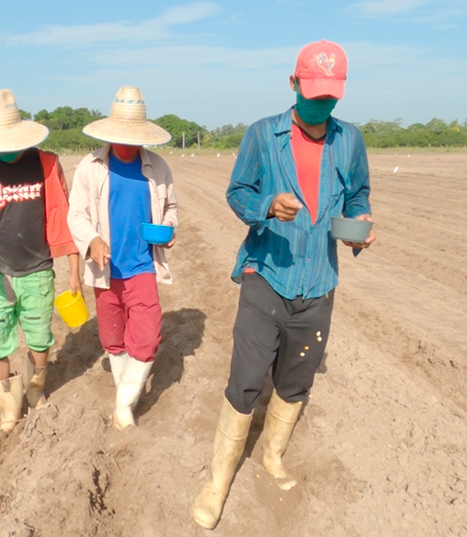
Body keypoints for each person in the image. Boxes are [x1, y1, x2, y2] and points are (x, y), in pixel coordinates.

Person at [189, 40, 376, 529]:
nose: (321, 104)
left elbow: (358, 196)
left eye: (330, 97)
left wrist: (361, 224)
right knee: (247, 378)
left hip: (319, 282)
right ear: (293, 84)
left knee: (296, 380)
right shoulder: (261, 135)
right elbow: (237, 191)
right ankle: (217, 479)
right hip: (266, 275)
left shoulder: (350, 141)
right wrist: (267, 205)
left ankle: (272, 455)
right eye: (312, 93)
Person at [0, 88, 81, 433]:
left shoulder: (46, 164)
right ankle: (8, 406)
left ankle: (34, 390)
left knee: (40, 338)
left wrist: (74, 272)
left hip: (38, 271)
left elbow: (63, 216)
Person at [67, 86, 177, 431]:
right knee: (113, 338)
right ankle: (126, 397)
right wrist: (93, 240)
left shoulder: (157, 167)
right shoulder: (91, 167)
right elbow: (77, 215)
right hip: (105, 268)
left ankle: (123, 406)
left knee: (146, 337)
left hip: (143, 264)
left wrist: (169, 228)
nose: (128, 143)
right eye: (122, 136)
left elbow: (171, 209)